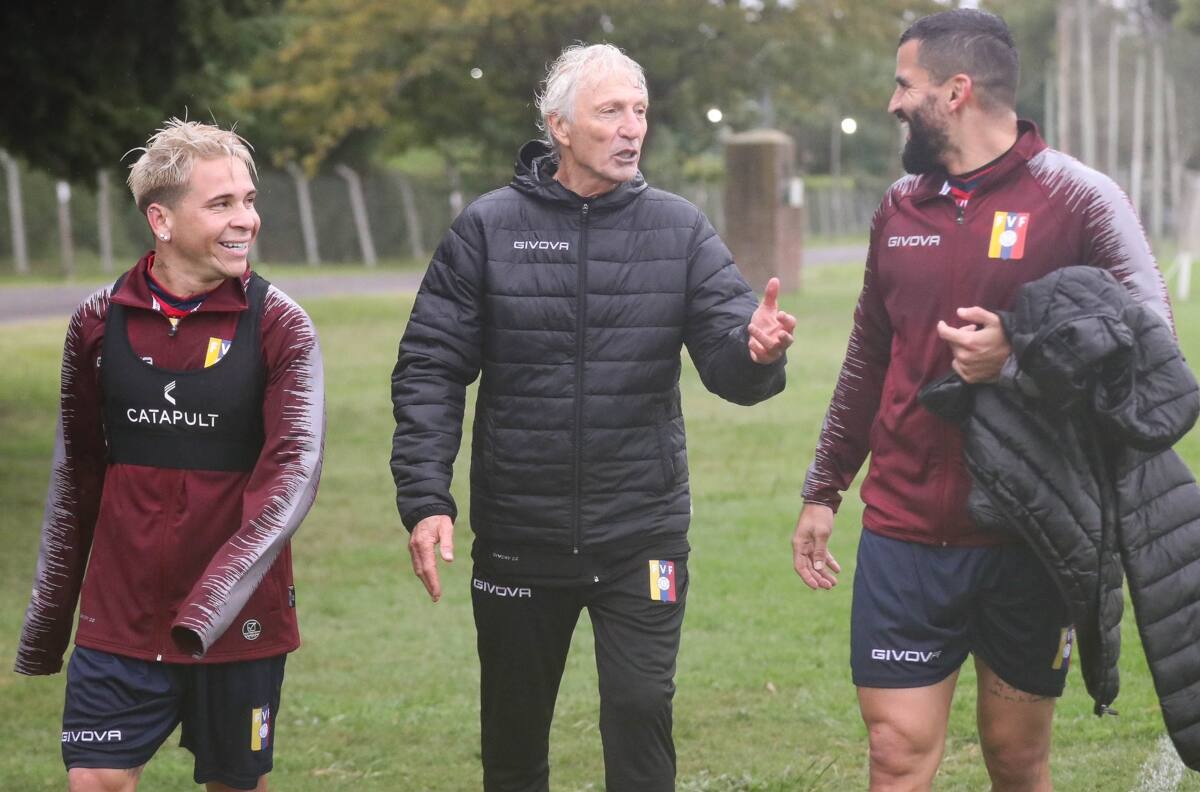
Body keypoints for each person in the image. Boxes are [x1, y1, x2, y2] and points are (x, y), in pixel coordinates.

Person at [391, 43, 793, 792]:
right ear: (561, 127)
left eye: (640, 111)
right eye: (610, 111)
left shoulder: (679, 230)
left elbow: (730, 364)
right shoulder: (488, 229)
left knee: (640, 713)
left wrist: (758, 351)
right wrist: (426, 498)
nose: (631, 127)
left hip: (642, 534)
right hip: (519, 538)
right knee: (513, 742)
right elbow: (430, 368)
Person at [791, 9, 1173, 791]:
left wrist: (1020, 350)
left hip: (1030, 534)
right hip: (905, 533)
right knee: (896, 753)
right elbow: (869, 353)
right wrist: (824, 485)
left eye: (906, 84)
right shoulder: (897, 207)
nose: (894, 102)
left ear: (955, 91)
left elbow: (1151, 342)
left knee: (1017, 755)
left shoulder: (1078, 196)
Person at [14, 119, 325, 792]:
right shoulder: (97, 321)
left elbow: (290, 481)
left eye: (248, 200)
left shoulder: (281, 325)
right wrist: (48, 623)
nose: (246, 219)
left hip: (238, 622)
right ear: (161, 218)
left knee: (235, 786)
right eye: (222, 204)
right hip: (119, 618)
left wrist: (209, 607)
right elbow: (77, 478)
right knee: (95, 778)